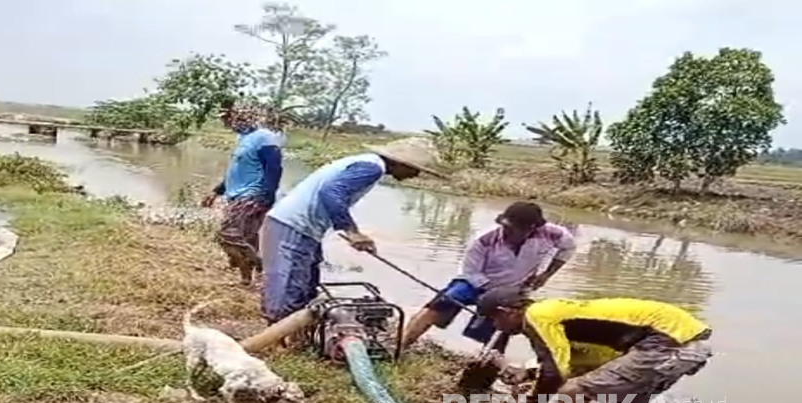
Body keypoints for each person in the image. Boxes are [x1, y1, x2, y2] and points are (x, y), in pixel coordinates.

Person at [476, 288, 712, 403]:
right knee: (635, 397)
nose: (497, 327)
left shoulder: (536, 316)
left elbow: (555, 372)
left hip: (663, 339)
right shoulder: (559, 315)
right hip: (687, 339)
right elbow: (573, 361)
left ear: (507, 311)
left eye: (494, 320)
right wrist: (529, 373)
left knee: (573, 393)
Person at [260, 138, 446, 323]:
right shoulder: (372, 167)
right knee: (289, 287)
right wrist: (351, 231)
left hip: (301, 227)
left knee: (306, 285)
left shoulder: (366, 163)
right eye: (415, 169)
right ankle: (275, 339)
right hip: (293, 226)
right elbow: (331, 192)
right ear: (401, 163)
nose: (415, 175)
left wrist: (353, 231)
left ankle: (290, 336)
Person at [402, 202, 575, 352]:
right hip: (474, 283)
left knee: (503, 328)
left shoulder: (553, 234)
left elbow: (569, 248)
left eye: (512, 228)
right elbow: (470, 272)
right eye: (505, 225)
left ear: (531, 229)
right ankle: (401, 345)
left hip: (513, 289)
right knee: (440, 304)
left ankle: (486, 368)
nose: (506, 230)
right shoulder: (484, 239)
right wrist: (490, 294)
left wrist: (546, 275)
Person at [202, 101, 284, 285]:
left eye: (228, 119)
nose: (226, 123)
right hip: (236, 194)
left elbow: (275, 169)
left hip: (252, 195)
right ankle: (247, 280)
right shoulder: (242, 139)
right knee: (247, 238)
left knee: (226, 235)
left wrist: (266, 197)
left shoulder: (265, 138)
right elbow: (237, 170)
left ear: (242, 116)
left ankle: (262, 265)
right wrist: (216, 191)